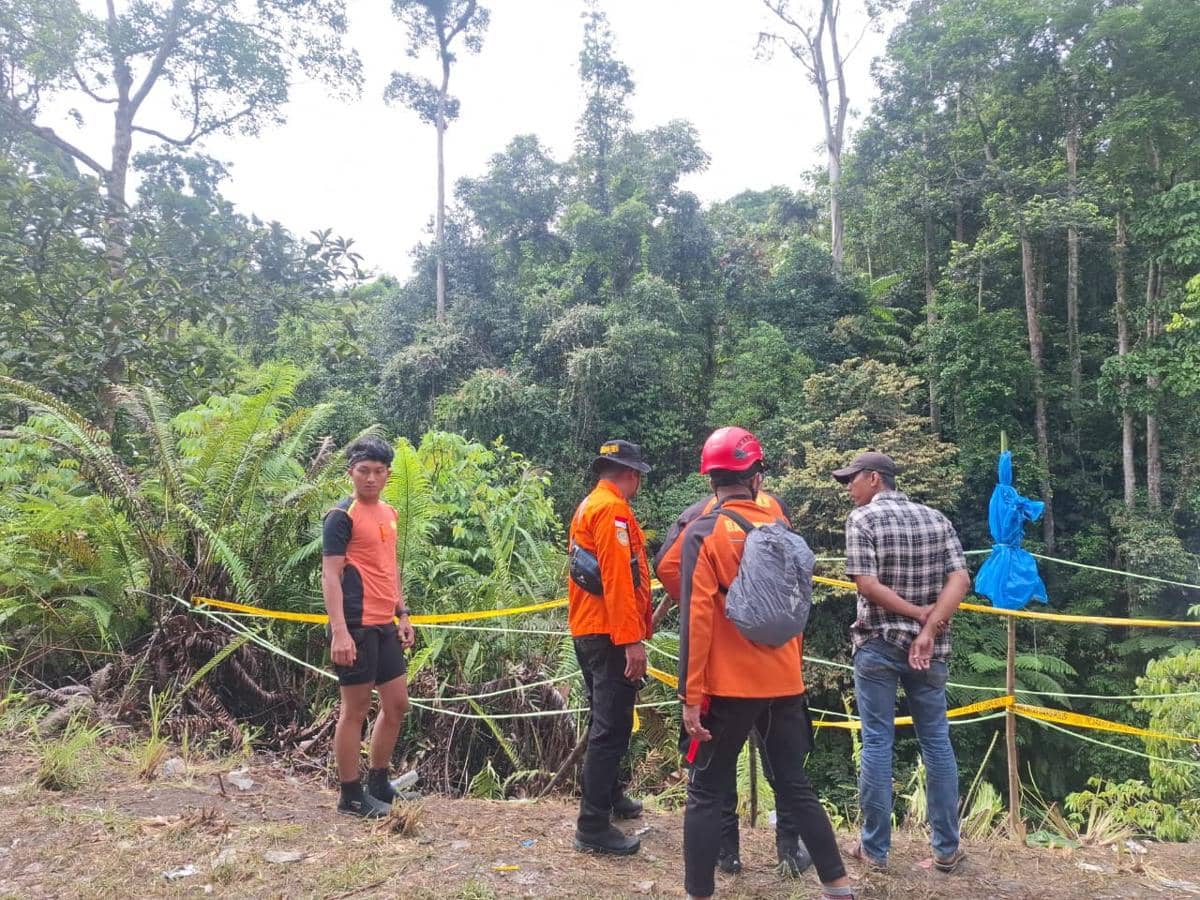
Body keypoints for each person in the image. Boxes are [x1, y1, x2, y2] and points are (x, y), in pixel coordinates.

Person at [679, 428, 853, 900]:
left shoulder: (704, 531)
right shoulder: (781, 526)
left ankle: (699, 893)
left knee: (705, 792)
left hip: (728, 688)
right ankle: (837, 885)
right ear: (756, 477)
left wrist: (691, 698)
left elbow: (697, 621)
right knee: (796, 784)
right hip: (784, 683)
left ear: (711, 480)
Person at [652, 426, 810, 877]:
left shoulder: (700, 517)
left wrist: (717, 605)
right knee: (786, 762)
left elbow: (667, 565)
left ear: (711, 478)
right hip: (780, 665)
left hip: (725, 669)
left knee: (714, 766)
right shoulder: (776, 511)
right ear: (756, 474)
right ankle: (789, 848)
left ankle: (727, 852)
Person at [833, 451, 970, 873]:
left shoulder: (863, 521)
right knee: (936, 742)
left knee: (877, 742)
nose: (848, 488)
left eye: (851, 480)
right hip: (931, 651)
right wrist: (929, 628)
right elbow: (961, 578)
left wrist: (914, 615)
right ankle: (946, 849)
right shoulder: (936, 518)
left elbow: (866, 584)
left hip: (878, 644)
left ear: (874, 479)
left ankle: (874, 849)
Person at [322, 435, 416, 818]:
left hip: (384, 623)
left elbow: (389, 567)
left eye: (378, 472)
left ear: (388, 474)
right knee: (355, 709)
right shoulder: (341, 517)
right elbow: (330, 576)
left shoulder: (389, 513)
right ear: (351, 473)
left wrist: (403, 613)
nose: (371, 479)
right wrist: (340, 631)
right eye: (363, 471)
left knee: (397, 704)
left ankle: (378, 781)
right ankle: (350, 795)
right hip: (356, 625)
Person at [568, 439, 654, 855]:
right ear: (631, 474)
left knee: (609, 719)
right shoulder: (613, 510)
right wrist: (631, 640)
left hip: (591, 628)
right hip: (608, 632)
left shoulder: (591, 504)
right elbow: (619, 579)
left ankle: (612, 796)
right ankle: (592, 824)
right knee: (611, 725)